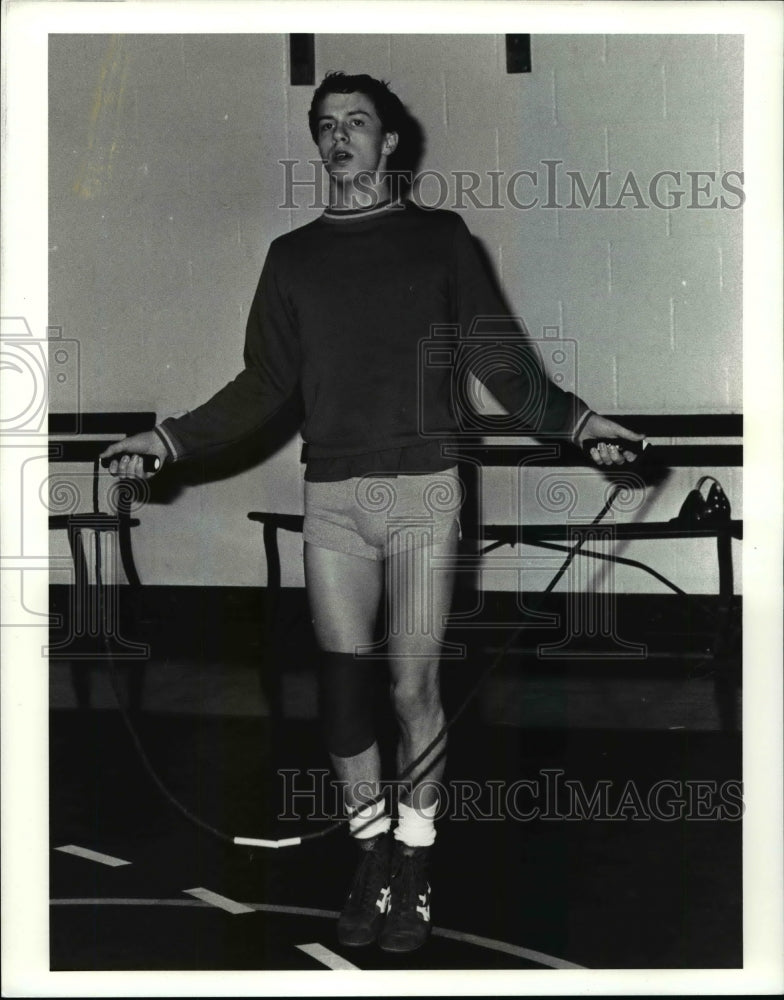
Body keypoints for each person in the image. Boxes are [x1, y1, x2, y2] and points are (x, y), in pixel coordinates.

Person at [102, 71, 644, 954]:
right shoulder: (293, 258)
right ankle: (370, 854)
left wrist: (582, 426)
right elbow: (265, 384)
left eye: (357, 122)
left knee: (410, 687)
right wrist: (165, 442)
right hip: (335, 498)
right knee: (346, 697)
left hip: (427, 491)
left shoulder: (441, 242)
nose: (339, 136)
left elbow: (503, 366)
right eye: (325, 125)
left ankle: (416, 858)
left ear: (391, 143)